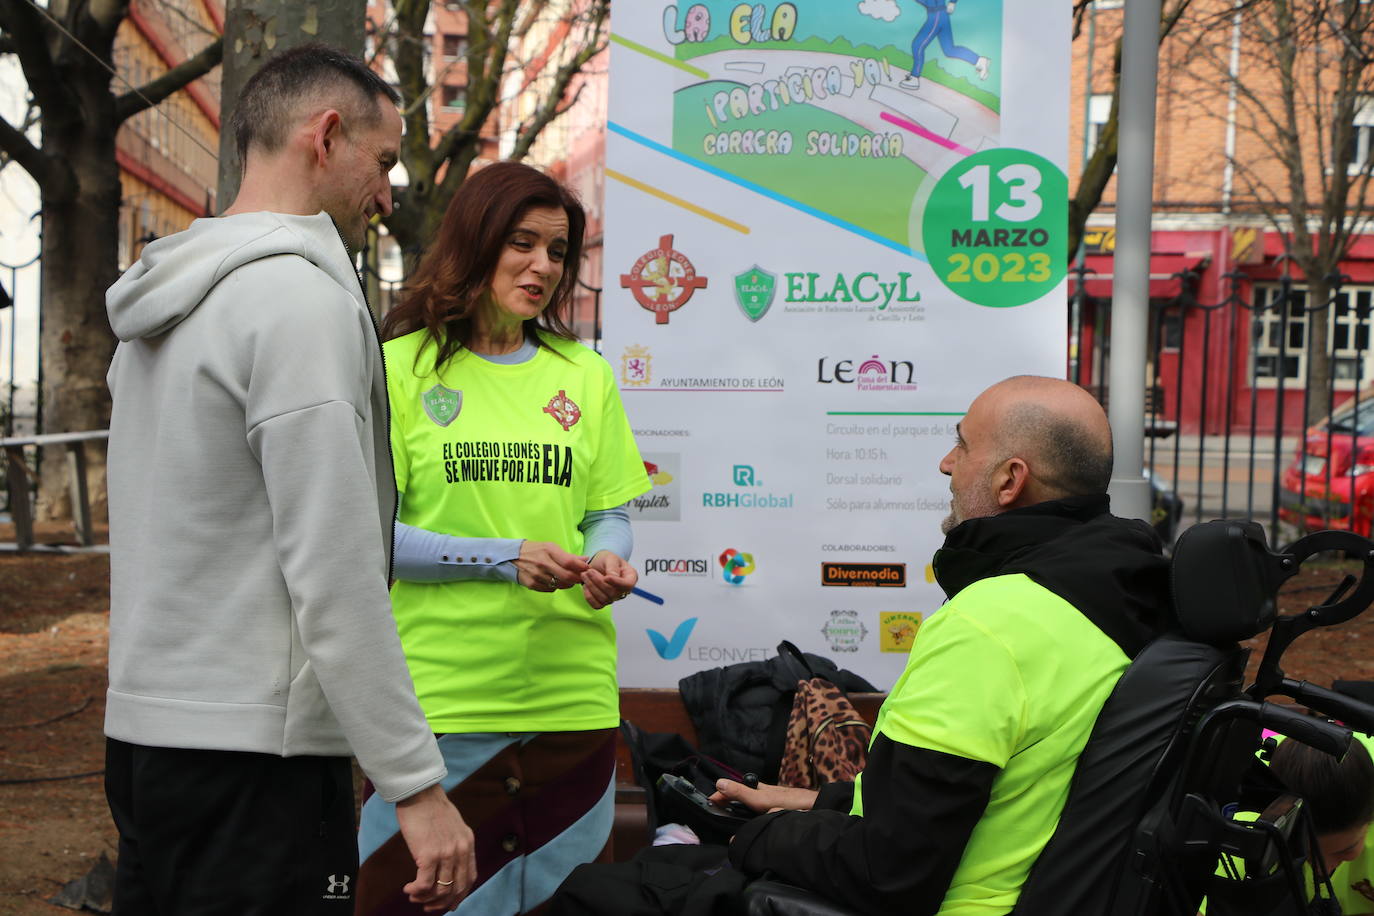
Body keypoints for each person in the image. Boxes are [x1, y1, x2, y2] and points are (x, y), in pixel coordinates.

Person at [551, 375, 1176, 915]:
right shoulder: (1120, 595)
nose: (945, 463)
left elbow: (890, 870)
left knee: (594, 896)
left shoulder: (993, 624)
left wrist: (761, 835)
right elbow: (979, 794)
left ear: (1011, 479)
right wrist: (810, 799)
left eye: (962, 443)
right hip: (1024, 886)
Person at [103, 44, 474, 915]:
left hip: (148, 735)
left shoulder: (165, 302)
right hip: (254, 754)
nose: (388, 192)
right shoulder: (297, 304)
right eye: (383, 160)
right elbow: (333, 567)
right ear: (327, 136)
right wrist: (417, 786)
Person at [354, 160, 652, 916]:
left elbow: (604, 511)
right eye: (523, 242)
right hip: (439, 707)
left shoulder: (585, 375)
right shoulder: (397, 370)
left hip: (571, 704)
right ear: (476, 241)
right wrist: (499, 559)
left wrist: (610, 553)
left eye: (558, 250)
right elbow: (363, 537)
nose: (543, 266)